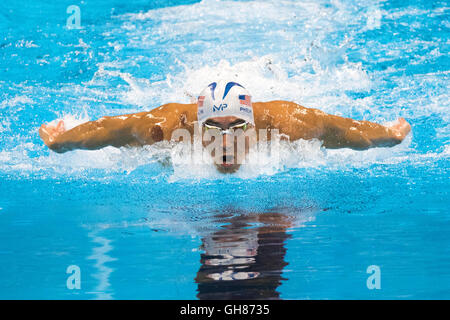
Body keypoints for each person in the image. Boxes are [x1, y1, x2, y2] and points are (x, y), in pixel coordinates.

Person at [39, 80, 411, 173]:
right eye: (214, 129)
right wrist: (62, 142)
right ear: (198, 127)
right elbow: (107, 129)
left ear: (253, 127)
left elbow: (349, 131)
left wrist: (389, 136)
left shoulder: (288, 125)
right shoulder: (163, 128)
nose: (226, 141)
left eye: (236, 128)